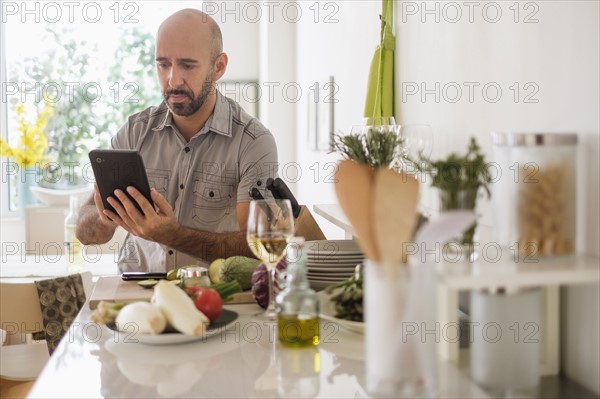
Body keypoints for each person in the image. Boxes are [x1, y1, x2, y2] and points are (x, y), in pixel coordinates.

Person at [77, 9, 278, 272]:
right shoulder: (134, 132)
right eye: (163, 64)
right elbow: (85, 233)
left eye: (187, 65)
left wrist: (174, 235)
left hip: (216, 297)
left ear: (218, 67)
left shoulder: (253, 142)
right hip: (138, 293)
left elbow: (258, 246)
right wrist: (105, 221)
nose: (173, 79)